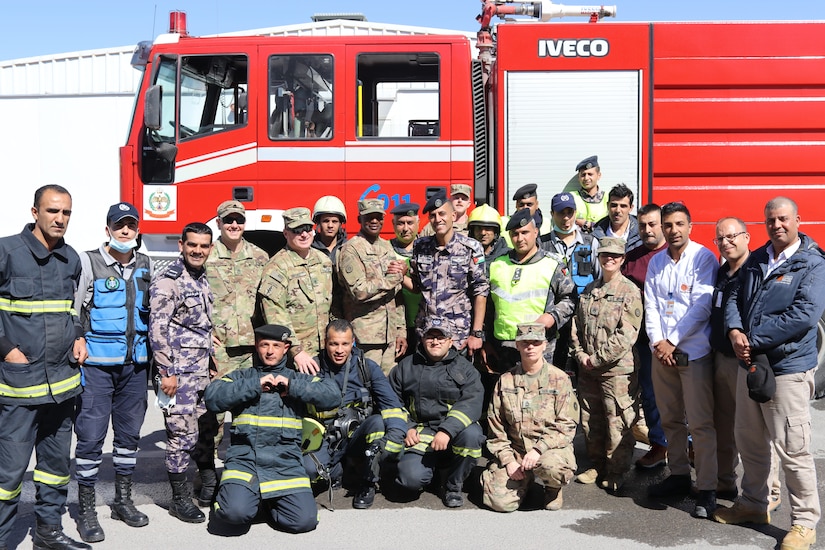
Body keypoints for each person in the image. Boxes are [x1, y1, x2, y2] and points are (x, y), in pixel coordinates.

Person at [716, 197, 825, 550]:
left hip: (786, 369)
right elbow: (733, 298)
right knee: (750, 440)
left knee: (793, 451)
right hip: (752, 366)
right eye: (770, 220)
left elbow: (805, 314)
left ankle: (805, 523)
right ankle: (753, 504)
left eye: (783, 219)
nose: (777, 225)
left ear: (797, 219)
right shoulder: (759, 258)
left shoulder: (813, 264)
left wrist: (754, 339)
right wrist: (734, 331)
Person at [0, 185, 90, 550]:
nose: (60, 219)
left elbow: (74, 306)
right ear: (35, 212)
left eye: (66, 212)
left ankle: (48, 533)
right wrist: (6, 349)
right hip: (20, 387)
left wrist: (80, 334)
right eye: (53, 211)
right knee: (7, 474)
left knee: (54, 468)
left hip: (62, 384)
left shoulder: (71, 258)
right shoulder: (7, 252)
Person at [205, 324, 339, 533]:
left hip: (285, 462)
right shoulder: (243, 377)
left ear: (286, 348)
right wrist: (253, 386)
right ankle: (241, 497)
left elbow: (332, 395)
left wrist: (292, 386)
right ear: (256, 347)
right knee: (233, 514)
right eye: (264, 345)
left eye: (276, 346)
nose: (269, 351)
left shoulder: (297, 379)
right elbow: (213, 398)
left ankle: (266, 503)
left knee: (304, 522)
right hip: (245, 461)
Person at [73, 202, 152, 542]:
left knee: (129, 437)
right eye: (118, 225)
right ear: (107, 229)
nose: (124, 231)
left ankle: (123, 500)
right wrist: (77, 337)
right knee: (90, 438)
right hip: (98, 367)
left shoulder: (147, 265)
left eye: (130, 225)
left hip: (135, 367)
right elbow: (73, 309)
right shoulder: (88, 263)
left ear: (137, 230)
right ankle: (86, 509)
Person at [644, 202, 719, 520]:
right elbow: (651, 303)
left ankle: (707, 488)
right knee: (670, 419)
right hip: (662, 354)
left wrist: (672, 341)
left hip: (694, 353)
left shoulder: (703, 258)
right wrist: (657, 342)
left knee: (700, 424)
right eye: (668, 225)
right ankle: (677, 476)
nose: (673, 230)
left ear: (690, 226)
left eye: (679, 224)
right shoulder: (656, 262)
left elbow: (702, 306)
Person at [710, 217, 783, 512]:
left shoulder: (757, 271)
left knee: (757, 431)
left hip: (747, 363)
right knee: (724, 426)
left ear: (747, 237)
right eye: (720, 239)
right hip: (721, 359)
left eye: (732, 237)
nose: (726, 243)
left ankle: (771, 490)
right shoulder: (722, 272)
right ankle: (725, 481)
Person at [203, 200, 269, 505]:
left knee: (246, 414)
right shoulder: (205, 256)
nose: (234, 225)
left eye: (238, 220)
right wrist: (204, 340)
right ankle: (206, 477)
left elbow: (267, 303)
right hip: (217, 350)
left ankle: (242, 475)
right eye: (228, 220)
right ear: (218, 222)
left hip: (249, 349)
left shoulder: (259, 257)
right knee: (212, 416)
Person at [302, 320, 407, 509]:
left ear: (353, 343)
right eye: (334, 343)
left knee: (377, 423)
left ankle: (368, 483)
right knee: (308, 470)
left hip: (358, 437)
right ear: (325, 343)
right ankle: (337, 473)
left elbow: (391, 406)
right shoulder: (311, 368)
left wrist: (395, 438)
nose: (339, 350)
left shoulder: (366, 367)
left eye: (345, 344)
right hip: (325, 438)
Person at [149, 222, 215, 524]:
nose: (197, 251)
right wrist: (166, 373)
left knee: (200, 432)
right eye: (192, 245)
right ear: (181, 245)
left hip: (200, 371)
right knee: (180, 436)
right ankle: (178, 500)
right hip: (177, 375)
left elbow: (199, 326)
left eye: (203, 246)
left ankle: (203, 490)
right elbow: (158, 331)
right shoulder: (169, 281)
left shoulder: (202, 279)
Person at [570, 237, 643, 492]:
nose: (609, 259)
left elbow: (627, 335)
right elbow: (576, 326)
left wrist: (597, 359)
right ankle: (596, 465)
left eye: (614, 255)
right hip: (588, 368)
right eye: (604, 255)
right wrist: (580, 355)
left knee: (618, 421)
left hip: (616, 371)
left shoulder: (630, 292)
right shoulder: (590, 290)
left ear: (622, 259)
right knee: (591, 419)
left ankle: (617, 470)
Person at [482, 323, 579, 512]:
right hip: (517, 450)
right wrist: (509, 460)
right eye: (525, 342)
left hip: (549, 449)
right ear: (517, 346)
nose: (530, 347)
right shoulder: (506, 380)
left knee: (552, 468)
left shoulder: (559, 379)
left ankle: (552, 487)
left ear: (544, 345)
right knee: (500, 502)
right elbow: (496, 428)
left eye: (535, 342)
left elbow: (567, 425)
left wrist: (538, 449)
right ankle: (524, 483)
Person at [388, 318, 485, 508]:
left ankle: (453, 485)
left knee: (473, 436)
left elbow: (472, 402)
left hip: (454, 431)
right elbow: (392, 401)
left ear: (451, 341)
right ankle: (432, 472)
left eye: (441, 337)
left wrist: (447, 430)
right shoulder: (405, 367)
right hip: (421, 432)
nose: (435, 342)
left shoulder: (465, 369)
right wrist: (407, 427)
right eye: (430, 337)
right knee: (410, 480)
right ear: (422, 340)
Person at [488, 208, 576, 372]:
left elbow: (570, 299)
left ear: (536, 232)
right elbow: (488, 307)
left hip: (538, 346)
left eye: (525, 232)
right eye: (515, 234)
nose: (520, 238)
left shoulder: (553, 264)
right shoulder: (497, 264)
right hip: (504, 348)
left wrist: (552, 317)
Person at [405, 192, 489, 355]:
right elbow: (417, 287)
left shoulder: (471, 247)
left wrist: (476, 333)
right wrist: (401, 276)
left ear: (453, 215)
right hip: (426, 333)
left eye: (442, 214)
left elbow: (480, 290)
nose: (437, 219)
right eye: (433, 215)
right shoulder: (420, 246)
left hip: (457, 335)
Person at [258, 207, 333, 374]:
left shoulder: (323, 261)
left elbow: (333, 305)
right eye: (297, 230)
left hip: (325, 350)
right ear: (286, 233)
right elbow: (275, 314)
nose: (304, 234)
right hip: (297, 355)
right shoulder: (276, 267)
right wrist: (297, 352)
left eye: (307, 229)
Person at [622, 204, 668, 469]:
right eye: (642, 225)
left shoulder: (674, 254)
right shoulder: (632, 258)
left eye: (652, 224)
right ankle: (659, 444)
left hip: (672, 339)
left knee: (682, 394)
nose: (647, 230)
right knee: (650, 394)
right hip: (641, 339)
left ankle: (689, 445)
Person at [336, 199, 407, 374]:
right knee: (366, 384)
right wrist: (393, 279)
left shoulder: (386, 247)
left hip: (389, 334)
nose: (374, 221)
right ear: (359, 219)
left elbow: (396, 295)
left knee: (388, 384)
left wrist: (400, 330)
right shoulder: (351, 249)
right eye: (369, 217)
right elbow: (359, 291)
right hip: (366, 336)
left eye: (378, 217)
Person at [389, 202, 422, 353]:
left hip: (424, 324)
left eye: (410, 223)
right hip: (395, 326)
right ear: (393, 224)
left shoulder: (428, 249)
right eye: (400, 223)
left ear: (418, 223)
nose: (405, 228)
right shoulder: (385, 250)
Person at [592, 184, 642, 252]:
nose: (618, 210)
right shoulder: (596, 234)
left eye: (623, 206)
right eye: (614, 205)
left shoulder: (642, 232)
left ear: (631, 208)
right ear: (607, 206)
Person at [468, 204, 510, 272]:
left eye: (488, 228)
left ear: (495, 232)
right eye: (478, 228)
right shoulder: (464, 254)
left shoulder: (507, 255)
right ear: (472, 232)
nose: (483, 233)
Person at [572, 155, 610, 232]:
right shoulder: (572, 197)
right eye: (583, 175)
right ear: (578, 178)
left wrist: (586, 223)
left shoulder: (609, 197)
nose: (586, 178)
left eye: (590, 174)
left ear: (599, 176)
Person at [310, 195, 348, 266]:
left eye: (334, 221)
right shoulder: (308, 250)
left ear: (340, 224)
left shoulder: (349, 248)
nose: (330, 225)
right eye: (326, 221)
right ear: (318, 223)